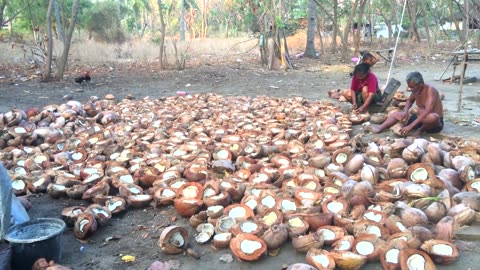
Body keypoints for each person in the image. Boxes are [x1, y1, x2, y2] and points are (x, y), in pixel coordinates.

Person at [371, 71, 444, 137]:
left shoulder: (430, 90)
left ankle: (420, 130)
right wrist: (405, 111)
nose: (410, 89)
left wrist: (411, 126)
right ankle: (381, 127)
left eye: (412, 87)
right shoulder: (416, 90)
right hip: (419, 119)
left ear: (421, 84)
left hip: (434, 124)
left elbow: (427, 111)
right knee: (396, 114)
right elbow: (410, 101)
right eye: (409, 87)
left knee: (433, 117)